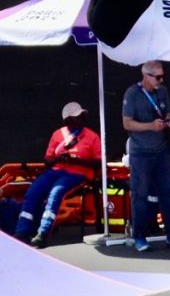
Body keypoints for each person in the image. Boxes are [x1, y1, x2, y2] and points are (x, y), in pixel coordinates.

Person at [13, 102, 100, 248]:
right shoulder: (58, 134)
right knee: (33, 192)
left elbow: (98, 163)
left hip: (79, 173)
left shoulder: (92, 137)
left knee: (56, 192)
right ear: (67, 120)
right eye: (77, 117)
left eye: (82, 116)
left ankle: (43, 233)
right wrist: (59, 159)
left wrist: (77, 161)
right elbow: (47, 160)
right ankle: (22, 232)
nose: (81, 119)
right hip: (56, 170)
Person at [121, 61, 170, 252]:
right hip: (140, 152)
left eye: (162, 76)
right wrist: (150, 126)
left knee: (167, 194)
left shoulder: (162, 91)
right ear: (146, 76)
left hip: (161, 150)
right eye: (157, 77)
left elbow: (169, 113)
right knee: (139, 195)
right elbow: (127, 123)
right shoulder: (132, 93)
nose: (161, 80)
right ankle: (140, 236)